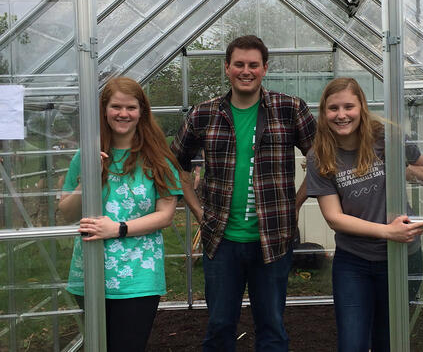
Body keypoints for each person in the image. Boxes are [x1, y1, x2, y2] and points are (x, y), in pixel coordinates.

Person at [171, 35, 317, 351]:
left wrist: (296, 203)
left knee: (272, 327)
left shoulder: (290, 109)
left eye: (253, 64)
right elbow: (175, 163)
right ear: (227, 68)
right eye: (239, 64)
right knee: (220, 326)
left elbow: (321, 158)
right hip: (222, 241)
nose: (246, 70)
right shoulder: (204, 114)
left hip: (273, 240)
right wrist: (198, 211)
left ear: (265, 68)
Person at [305, 77, 423, 352]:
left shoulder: (388, 137)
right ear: (324, 113)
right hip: (354, 262)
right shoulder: (320, 155)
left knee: (389, 339)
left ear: (361, 106)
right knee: (352, 343)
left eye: (348, 106)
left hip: (402, 259)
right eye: (333, 108)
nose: (341, 115)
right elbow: (334, 217)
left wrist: (402, 169)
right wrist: (388, 232)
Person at [58, 77, 183, 352]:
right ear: (104, 110)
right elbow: (66, 211)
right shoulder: (87, 154)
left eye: (131, 107)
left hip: (138, 278)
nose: (123, 114)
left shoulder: (157, 158)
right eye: (116, 106)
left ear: (142, 112)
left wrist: (118, 228)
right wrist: (88, 178)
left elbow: (165, 215)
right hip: (89, 273)